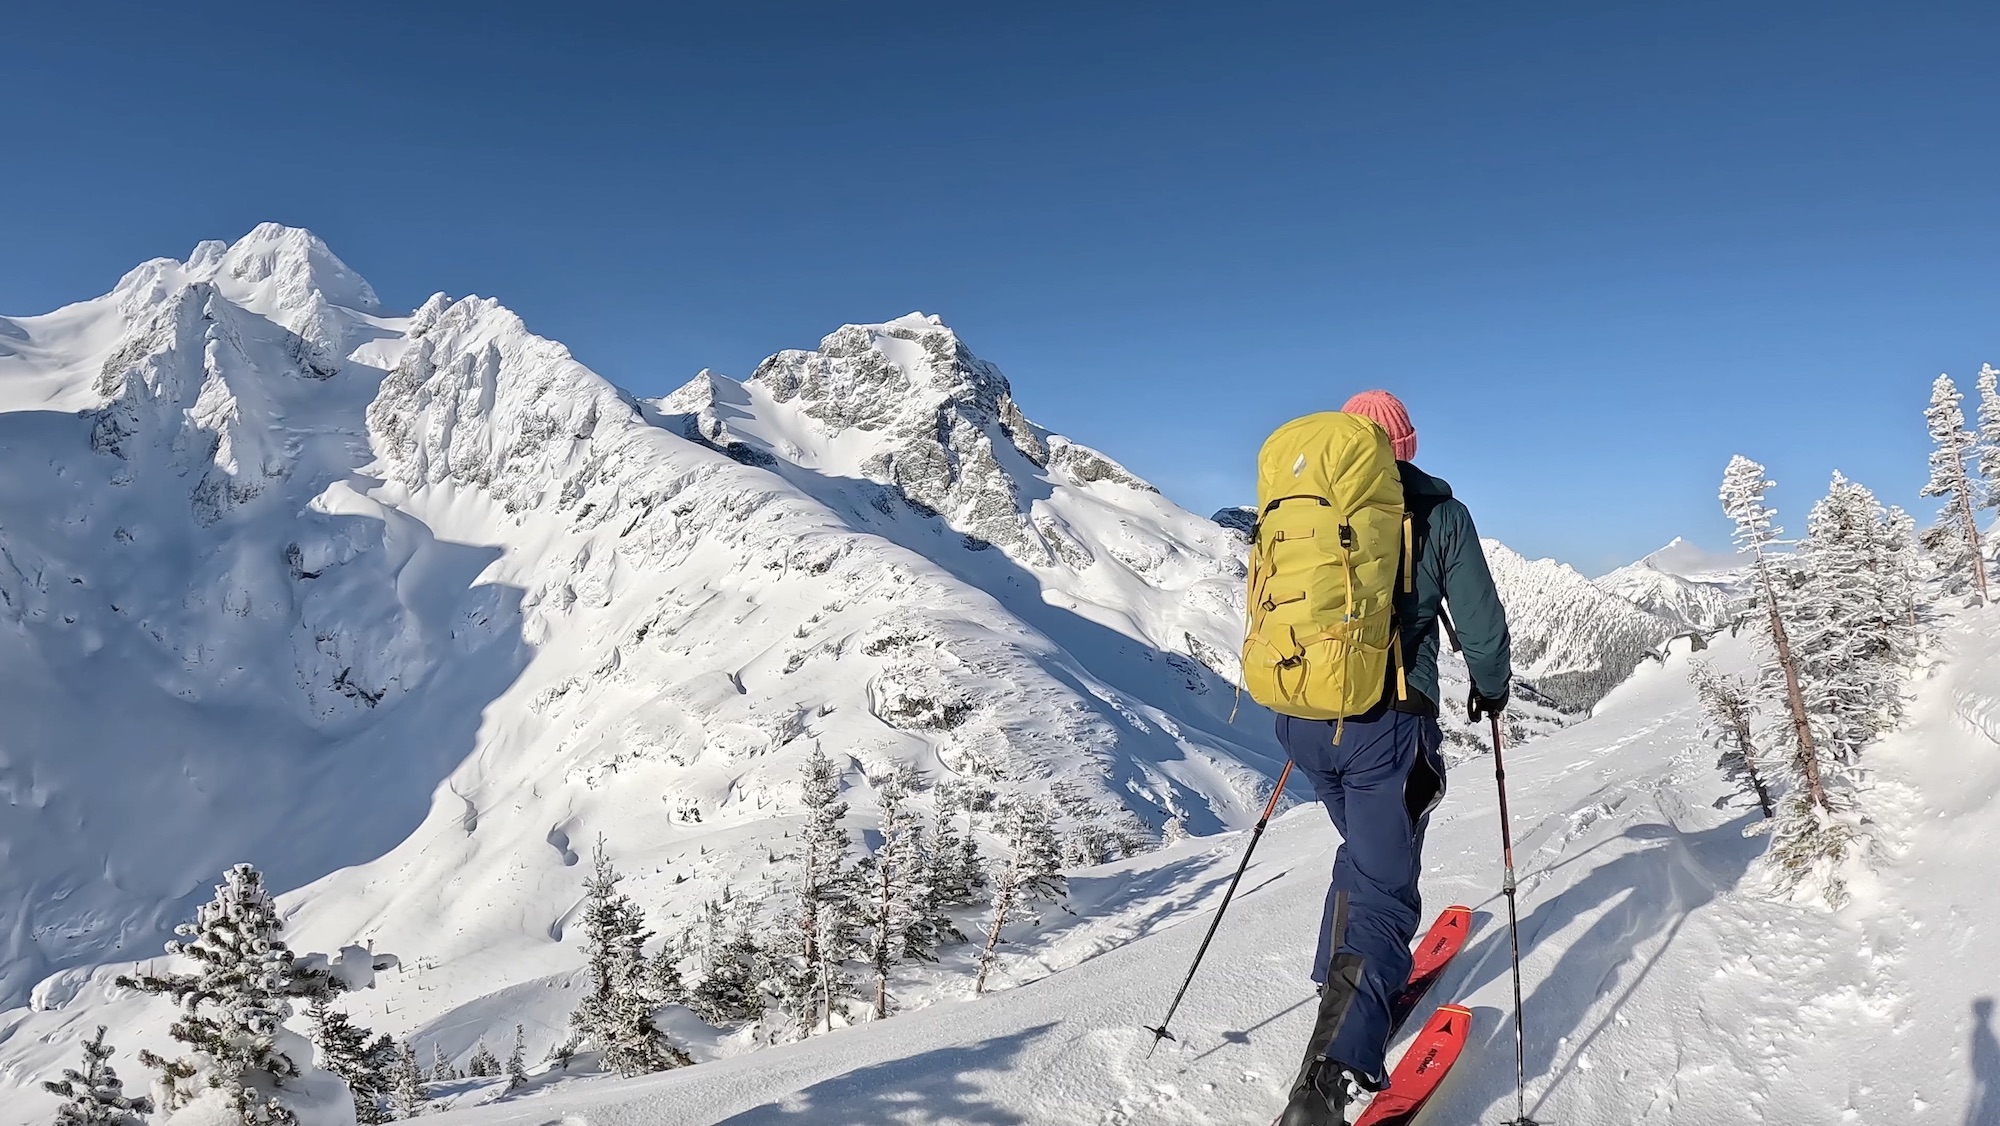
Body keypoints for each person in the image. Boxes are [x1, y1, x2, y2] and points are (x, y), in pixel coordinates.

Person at [1279, 389, 1513, 1126]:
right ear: (1407, 447)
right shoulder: (1440, 514)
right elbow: (1479, 618)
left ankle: (1340, 979)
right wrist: (1492, 686)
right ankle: (1327, 1082)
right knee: (1386, 889)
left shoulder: (1306, 509)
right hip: (1387, 729)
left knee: (1367, 854)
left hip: (1304, 720)